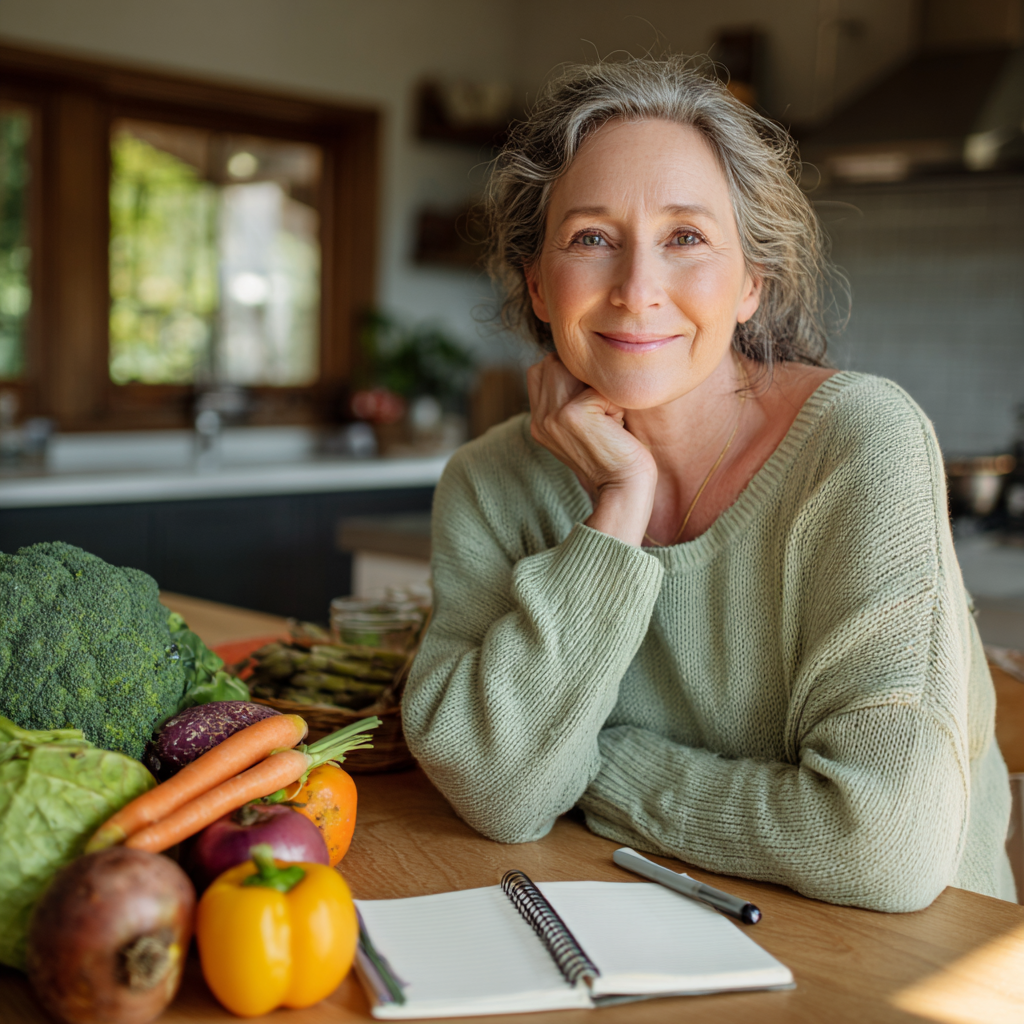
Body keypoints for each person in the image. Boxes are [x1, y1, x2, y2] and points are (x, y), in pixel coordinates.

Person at [402, 56, 1016, 912]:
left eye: (685, 237)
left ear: (750, 284)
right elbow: (498, 794)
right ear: (539, 284)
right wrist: (616, 510)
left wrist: (585, 760)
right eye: (590, 238)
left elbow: (884, 846)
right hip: (624, 931)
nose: (638, 289)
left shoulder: (862, 440)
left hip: (892, 969)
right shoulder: (488, 482)